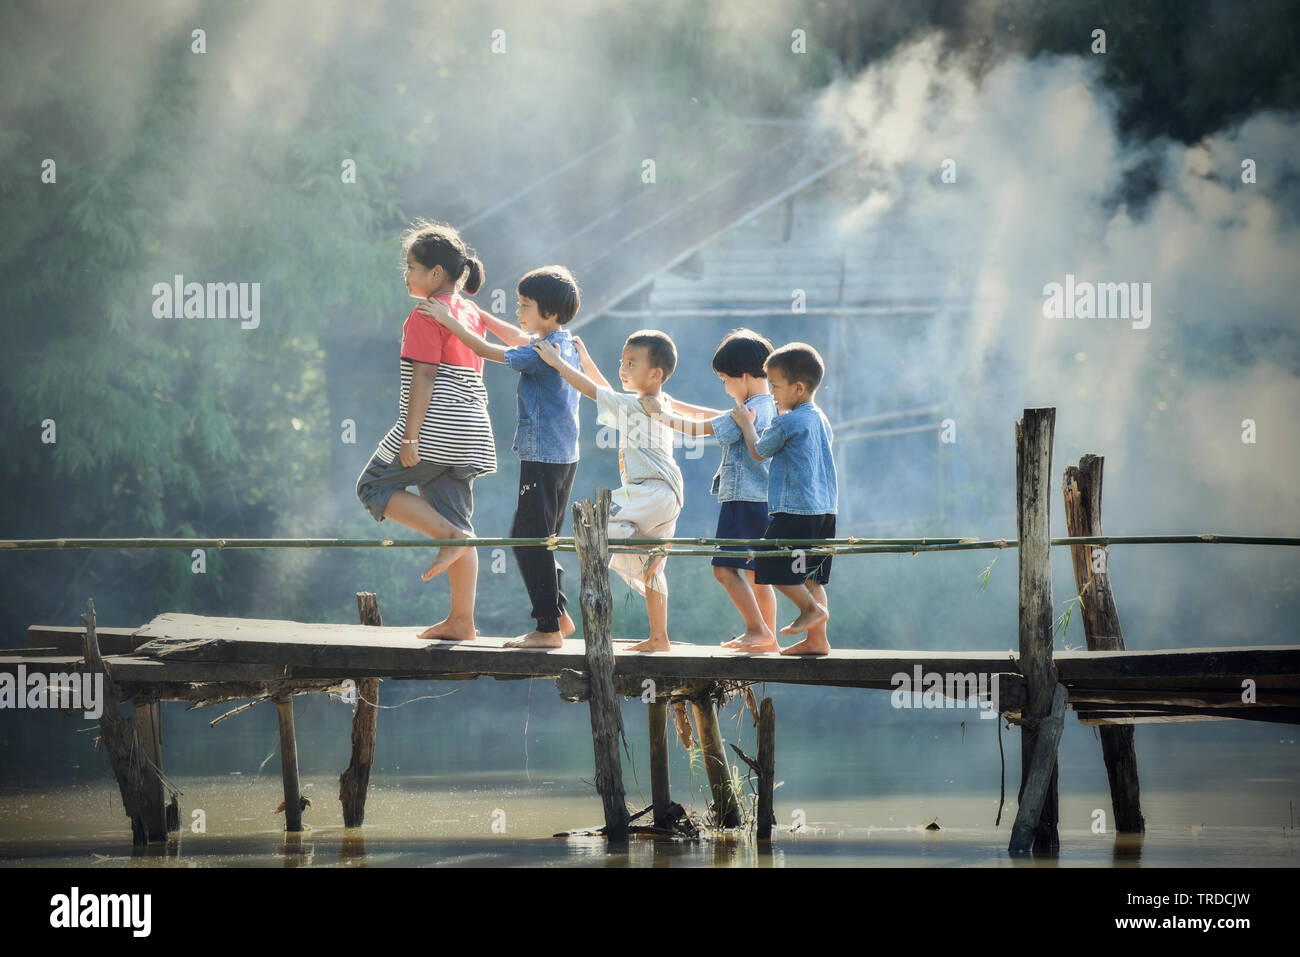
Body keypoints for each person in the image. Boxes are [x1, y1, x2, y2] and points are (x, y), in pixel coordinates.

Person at [356, 220, 520, 641]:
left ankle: (451, 537)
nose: (405, 274)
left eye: (410, 266)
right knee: (460, 521)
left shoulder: (426, 314)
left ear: (435, 274)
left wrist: (410, 439)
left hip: (434, 430)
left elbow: (425, 376)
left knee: (372, 487)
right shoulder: (466, 311)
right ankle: (462, 621)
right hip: (473, 434)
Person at [420, 266, 583, 649]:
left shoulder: (542, 352)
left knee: (527, 539)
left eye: (525, 306)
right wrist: (476, 314)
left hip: (543, 457)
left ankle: (547, 629)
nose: (519, 312)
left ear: (551, 314)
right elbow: (515, 337)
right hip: (563, 457)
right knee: (541, 538)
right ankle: (557, 615)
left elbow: (488, 350)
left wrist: (449, 319)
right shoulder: (565, 342)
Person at [534, 330, 683, 653]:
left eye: (631, 363)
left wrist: (558, 362)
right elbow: (606, 391)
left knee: (591, 521)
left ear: (655, 374)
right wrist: (585, 359)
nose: (623, 368)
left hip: (649, 491)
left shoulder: (642, 405)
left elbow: (592, 391)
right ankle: (660, 638)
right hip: (667, 496)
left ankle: (625, 531)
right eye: (622, 362)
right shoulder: (651, 402)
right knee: (652, 568)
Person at [639, 329, 779, 652]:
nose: (725, 387)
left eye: (724, 379)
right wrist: (674, 407)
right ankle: (768, 638)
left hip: (741, 501)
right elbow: (712, 418)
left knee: (723, 569)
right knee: (759, 574)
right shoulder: (766, 404)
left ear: (743, 376)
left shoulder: (748, 411)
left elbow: (702, 429)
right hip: (764, 503)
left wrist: (661, 415)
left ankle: (756, 630)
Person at [732, 342, 837, 655]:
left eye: (776, 386)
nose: (773, 393)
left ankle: (811, 610)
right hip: (825, 511)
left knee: (770, 565)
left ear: (799, 387)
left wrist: (747, 424)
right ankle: (818, 640)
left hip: (795, 510)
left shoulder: (787, 421)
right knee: (813, 576)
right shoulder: (820, 418)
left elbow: (759, 451)